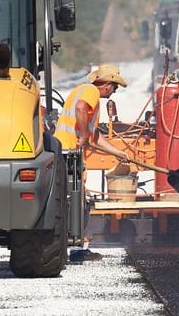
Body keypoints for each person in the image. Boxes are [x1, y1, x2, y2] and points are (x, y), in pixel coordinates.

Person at [54, 64, 129, 261]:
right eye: (115, 87)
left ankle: (73, 246)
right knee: (78, 201)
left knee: (74, 200)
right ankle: (77, 250)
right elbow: (80, 110)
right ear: (106, 84)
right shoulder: (90, 92)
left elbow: (95, 136)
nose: (114, 91)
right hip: (70, 152)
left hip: (66, 151)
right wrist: (84, 135)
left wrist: (118, 152)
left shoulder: (83, 91)